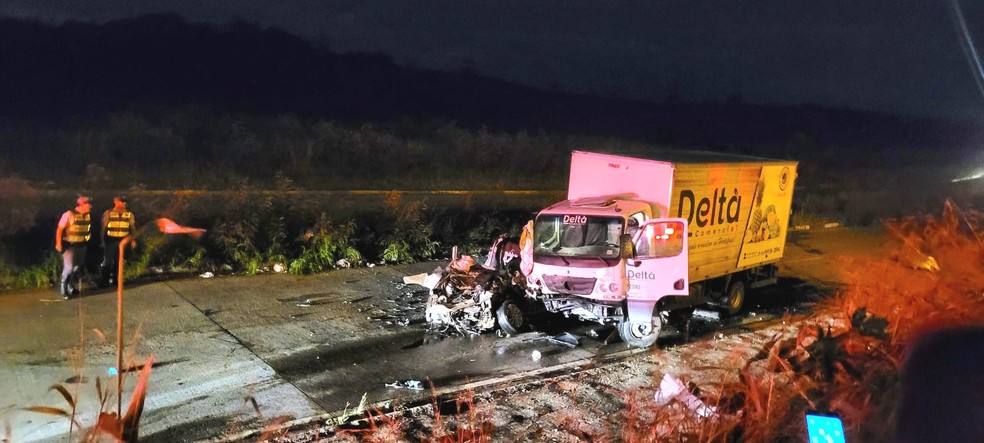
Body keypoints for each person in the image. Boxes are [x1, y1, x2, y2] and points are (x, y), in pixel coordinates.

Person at [55, 195, 93, 298]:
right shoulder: (69, 214)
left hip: (81, 244)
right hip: (69, 245)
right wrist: (58, 243)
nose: (90, 207)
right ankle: (64, 288)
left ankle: (71, 287)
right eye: (88, 204)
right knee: (69, 268)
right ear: (81, 205)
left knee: (77, 267)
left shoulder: (87, 215)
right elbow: (59, 229)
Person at [99, 195, 136, 287]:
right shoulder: (109, 213)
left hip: (122, 240)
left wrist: (133, 240)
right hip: (111, 240)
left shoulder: (129, 214)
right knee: (107, 261)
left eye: (125, 202)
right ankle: (104, 281)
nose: (124, 204)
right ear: (116, 202)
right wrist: (102, 241)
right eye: (122, 202)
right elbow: (103, 228)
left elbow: (132, 228)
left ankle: (116, 280)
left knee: (119, 261)